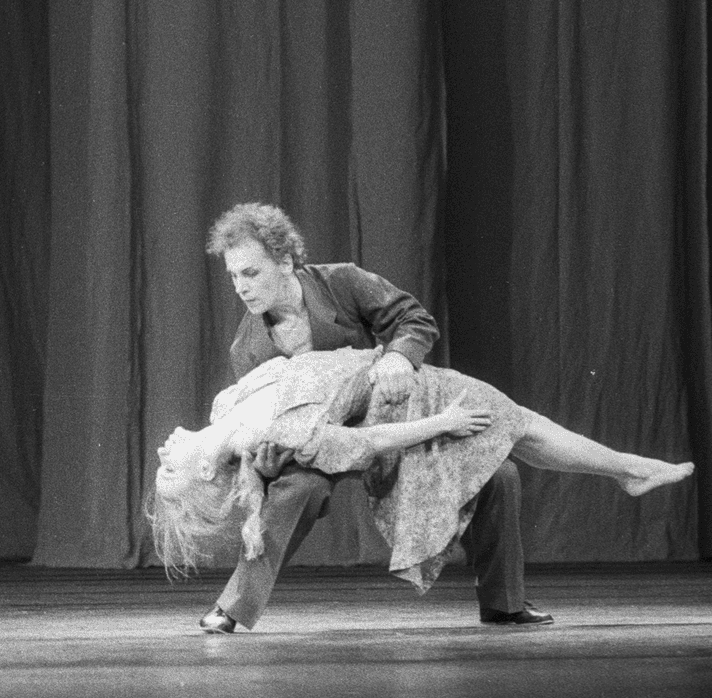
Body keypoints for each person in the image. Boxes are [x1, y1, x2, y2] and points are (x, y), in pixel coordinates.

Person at [171, 203, 535, 633]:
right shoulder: (248, 350)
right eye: (233, 276)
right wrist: (265, 465)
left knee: (501, 472)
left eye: (250, 273)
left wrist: (399, 355)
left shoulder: (339, 282)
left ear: (285, 261)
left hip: (390, 419)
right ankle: (232, 608)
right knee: (295, 490)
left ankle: (504, 603)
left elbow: (413, 318)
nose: (241, 288)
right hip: (321, 444)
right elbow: (258, 436)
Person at [148, 346, 694, 595]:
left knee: (519, 425)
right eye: (169, 473)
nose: (161, 455)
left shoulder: (227, 403)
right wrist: (442, 421)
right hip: (408, 403)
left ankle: (626, 470)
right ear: (203, 475)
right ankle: (628, 469)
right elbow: (365, 443)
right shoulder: (269, 437)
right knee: (517, 422)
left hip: (394, 370)